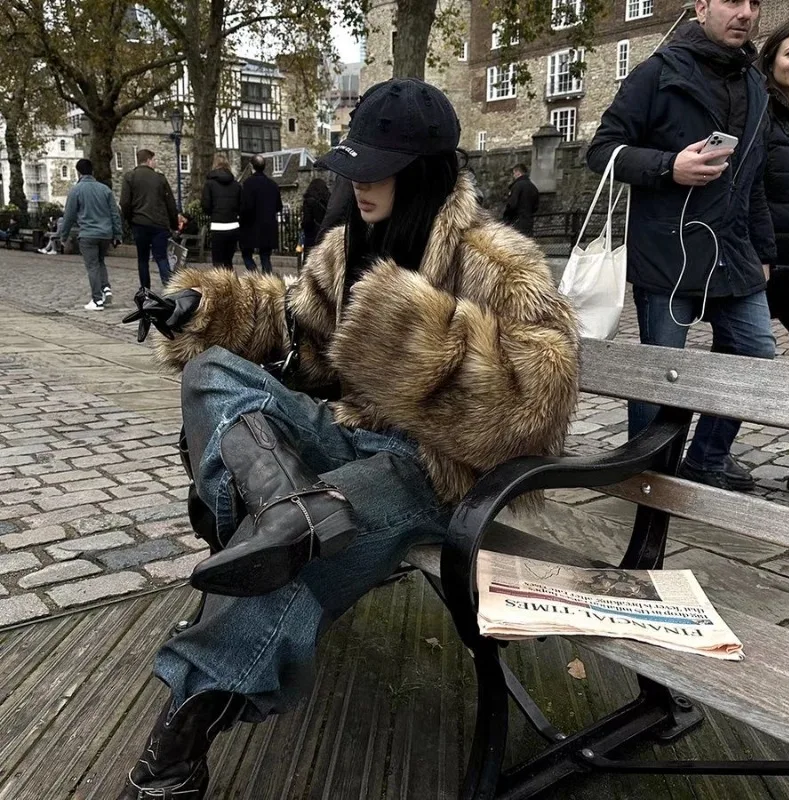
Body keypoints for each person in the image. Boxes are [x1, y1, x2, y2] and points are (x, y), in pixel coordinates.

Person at [116, 77, 580, 798]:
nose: (357, 183)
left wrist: (409, 339)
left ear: (424, 170)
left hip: (431, 469)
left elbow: (536, 408)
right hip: (342, 444)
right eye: (353, 165)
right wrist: (205, 307)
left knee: (295, 554)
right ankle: (289, 506)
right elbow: (297, 334)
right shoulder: (343, 248)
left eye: (377, 168)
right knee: (210, 372)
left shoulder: (498, 264)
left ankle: (181, 733)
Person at [586, 0, 777, 492]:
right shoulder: (658, 70)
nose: (746, 13)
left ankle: (706, 458)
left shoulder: (756, 82)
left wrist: (763, 251)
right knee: (661, 371)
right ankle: (645, 473)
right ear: (701, 7)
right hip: (667, 254)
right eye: (732, 1)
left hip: (733, 254)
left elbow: (752, 178)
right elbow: (602, 150)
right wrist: (669, 166)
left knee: (755, 354)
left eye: (754, 3)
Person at [759, 18, 789, 494]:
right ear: (772, 57)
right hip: (766, 262)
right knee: (745, 354)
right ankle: (704, 456)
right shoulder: (758, 109)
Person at [60, 159, 122, 311]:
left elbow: (69, 215)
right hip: (105, 234)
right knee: (100, 262)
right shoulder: (105, 189)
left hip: (88, 234)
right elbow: (115, 213)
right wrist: (117, 234)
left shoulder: (76, 190)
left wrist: (63, 236)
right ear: (92, 171)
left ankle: (97, 300)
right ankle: (106, 288)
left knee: (92, 266)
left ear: (78, 172)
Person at [120, 149, 179, 289]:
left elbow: (124, 202)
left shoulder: (130, 177)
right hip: (159, 224)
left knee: (142, 259)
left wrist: (129, 219)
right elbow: (170, 203)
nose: (156, 163)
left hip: (139, 223)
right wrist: (174, 224)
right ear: (148, 160)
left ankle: (145, 290)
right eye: (154, 160)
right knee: (161, 257)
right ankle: (170, 287)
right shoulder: (160, 178)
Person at [238, 154, 282, 273]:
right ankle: (266, 282)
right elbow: (279, 207)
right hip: (268, 226)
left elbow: (245, 207)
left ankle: (255, 276)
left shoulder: (248, 184)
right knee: (265, 257)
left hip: (250, 226)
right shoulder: (273, 185)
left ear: (252, 166)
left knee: (246, 255)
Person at [202, 152, 242, 269]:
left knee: (218, 262)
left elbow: (205, 205)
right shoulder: (236, 185)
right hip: (233, 225)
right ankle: (231, 285)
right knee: (228, 261)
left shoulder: (209, 184)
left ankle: (219, 286)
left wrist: (213, 213)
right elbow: (242, 205)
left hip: (218, 224)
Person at [502, 163, 539, 236]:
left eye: (514, 173)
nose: (513, 176)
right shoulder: (533, 187)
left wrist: (506, 217)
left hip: (516, 221)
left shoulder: (517, 186)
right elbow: (536, 207)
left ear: (518, 172)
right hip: (528, 221)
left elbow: (512, 205)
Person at [301, 177, 330, 258]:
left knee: (310, 258)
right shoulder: (328, 201)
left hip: (312, 235)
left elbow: (307, 220)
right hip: (324, 233)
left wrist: (303, 226)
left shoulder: (308, 201)